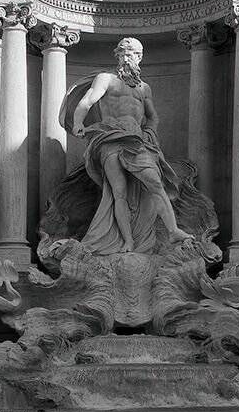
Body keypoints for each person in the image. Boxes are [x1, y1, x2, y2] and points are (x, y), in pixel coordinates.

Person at [68, 38, 194, 255]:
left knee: (154, 182)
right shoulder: (105, 79)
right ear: (117, 56)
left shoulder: (144, 88)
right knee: (119, 191)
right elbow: (87, 101)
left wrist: (150, 133)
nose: (127, 58)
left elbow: (153, 116)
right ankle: (127, 241)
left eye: (132, 54)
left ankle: (173, 230)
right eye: (123, 54)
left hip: (136, 141)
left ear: (140, 57)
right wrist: (78, 123)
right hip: (109, 138)